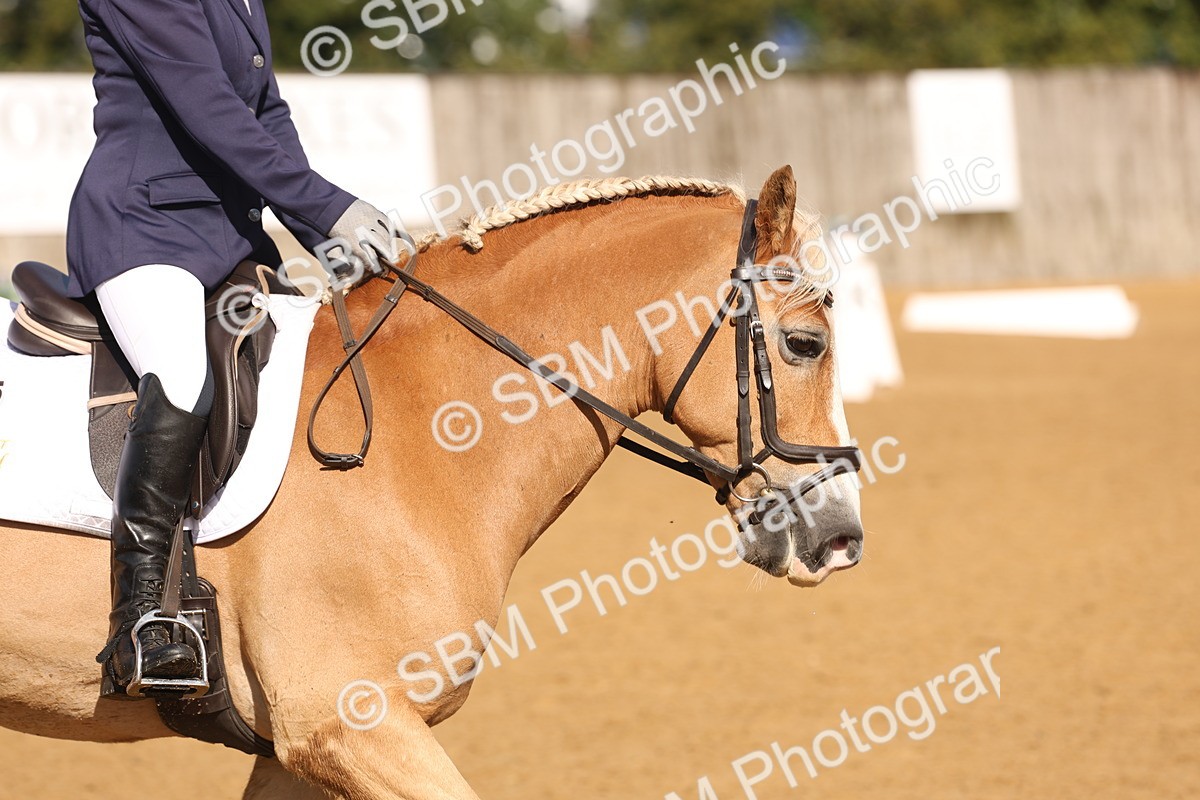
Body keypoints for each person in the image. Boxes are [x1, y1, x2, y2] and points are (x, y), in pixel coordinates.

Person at [68, 0, 394, 699]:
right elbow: (210, 110)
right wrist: (330, 203)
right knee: (184, 376)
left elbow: (266, 112)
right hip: (142, 226)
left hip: (229, 240)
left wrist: (321, 235)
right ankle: (142, 614)